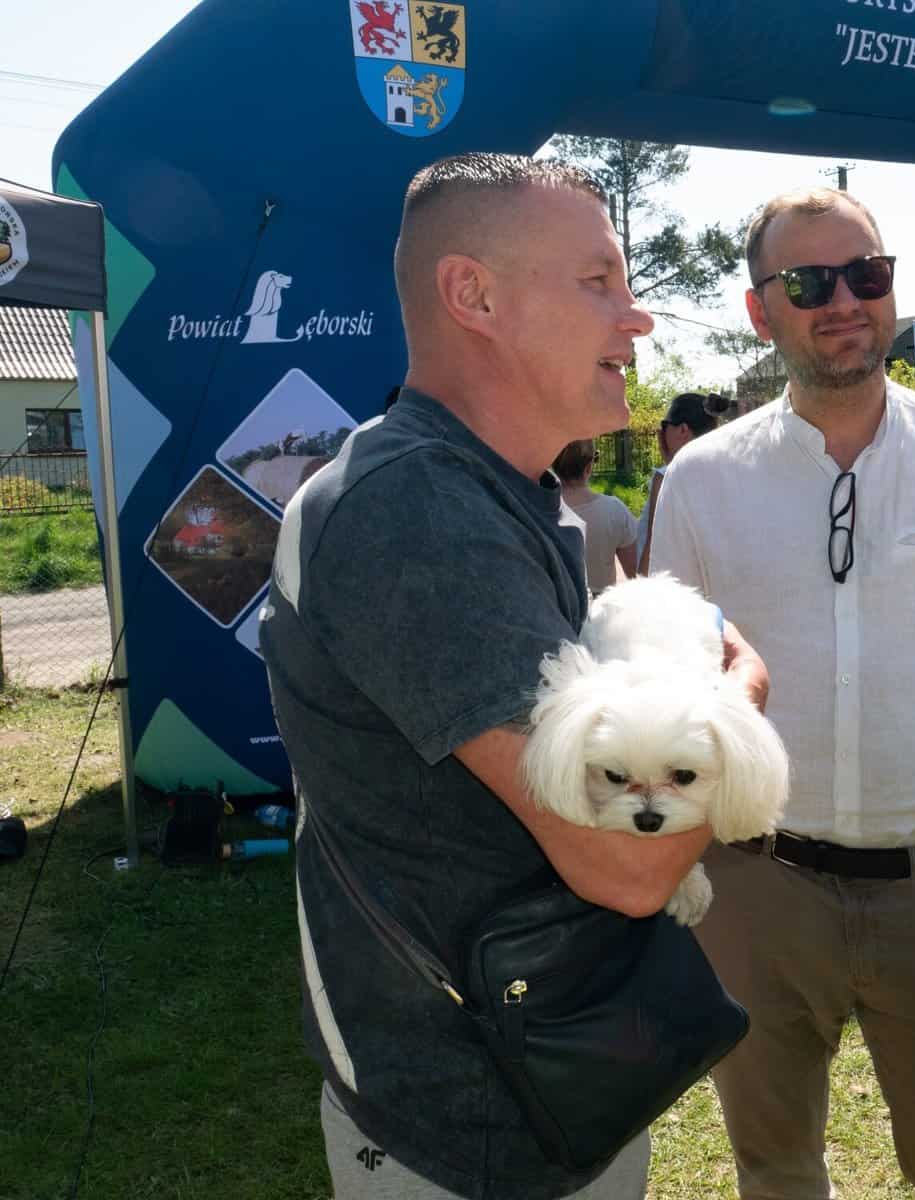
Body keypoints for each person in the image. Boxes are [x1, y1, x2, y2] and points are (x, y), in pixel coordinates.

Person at [259, 153, 767, 1200]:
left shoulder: (499, 492)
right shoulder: (418, 511)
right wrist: (738, 699)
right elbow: (625, 866)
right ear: (472, 295)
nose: (637, 317)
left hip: (545, 1078)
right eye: (598, 281)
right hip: (470, 1127)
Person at [648, 186, 915, 1200]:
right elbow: (671, 693)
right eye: (807, 282)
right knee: (774, 1170)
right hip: (757, 888)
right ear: (760, 310)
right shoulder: (701, 478)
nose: (843, 301)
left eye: (865, 274)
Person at [634, 390, 727, 574]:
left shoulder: (667, 477)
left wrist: (641, 586)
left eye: (664, 425)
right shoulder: (722, 472)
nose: (661, 433)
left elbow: (654, 547)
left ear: (683, 430)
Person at [553, 438, 637, 594]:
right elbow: (636, 574)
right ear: (588, 467)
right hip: (602, 605)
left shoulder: (539, 510)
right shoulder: (614, 510)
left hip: (557, 604)